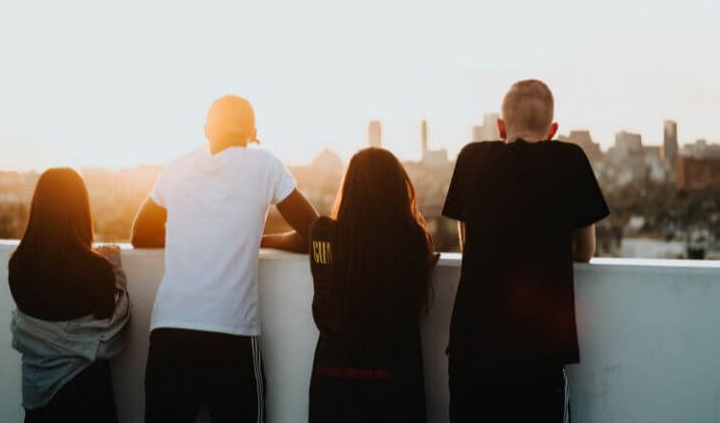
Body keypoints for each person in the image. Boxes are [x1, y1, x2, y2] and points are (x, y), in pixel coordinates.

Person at [131, 94, 319, 423]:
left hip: (170, 331)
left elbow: (140, 235)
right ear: (253, 132)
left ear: (206, 129)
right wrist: (255, 239)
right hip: (231, 334)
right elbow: (314, 233)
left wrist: (194, 234)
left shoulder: (176, 168)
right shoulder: (264, 165)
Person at [442, 79, 610, 422]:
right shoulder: (571, 159)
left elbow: (467, 242)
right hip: (540, 351)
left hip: (473, 347)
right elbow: (585, 250)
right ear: (553, 129)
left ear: (500, 126)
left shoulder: (471, 159)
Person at [308, 148, 437, 423]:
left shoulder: (322, 234)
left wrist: (265, 240)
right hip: (394, 385)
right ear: (398, 189)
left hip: (333, 382)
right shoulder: (413, 242)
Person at [9, 167, 130, 423]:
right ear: (80, 210)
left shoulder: (18, 265)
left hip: (36, 397)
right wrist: (115, 270)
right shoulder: (96, 270)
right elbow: (112, 329)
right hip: (86, 395)